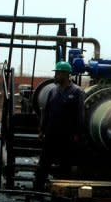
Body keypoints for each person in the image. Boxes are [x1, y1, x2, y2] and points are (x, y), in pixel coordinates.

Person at [34, 61, 85, 190]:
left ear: (65, 74)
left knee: (65, 165)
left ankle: (62, 193)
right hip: (51, 134)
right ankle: (38, 190)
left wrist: (78, 134)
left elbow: (80, 115)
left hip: (67, 136)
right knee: (43, 164)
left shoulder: (77, 92)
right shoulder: (53, 91)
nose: (55, 76)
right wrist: (41, 130)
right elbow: (46, 112)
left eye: (57, 73)